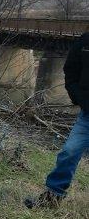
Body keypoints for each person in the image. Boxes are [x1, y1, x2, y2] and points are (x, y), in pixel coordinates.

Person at [25, 32, 88, 208]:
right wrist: (80, 99)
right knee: (69, 152)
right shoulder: (84, 41)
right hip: (87, 115)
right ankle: (52, 196)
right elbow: (70, 72)